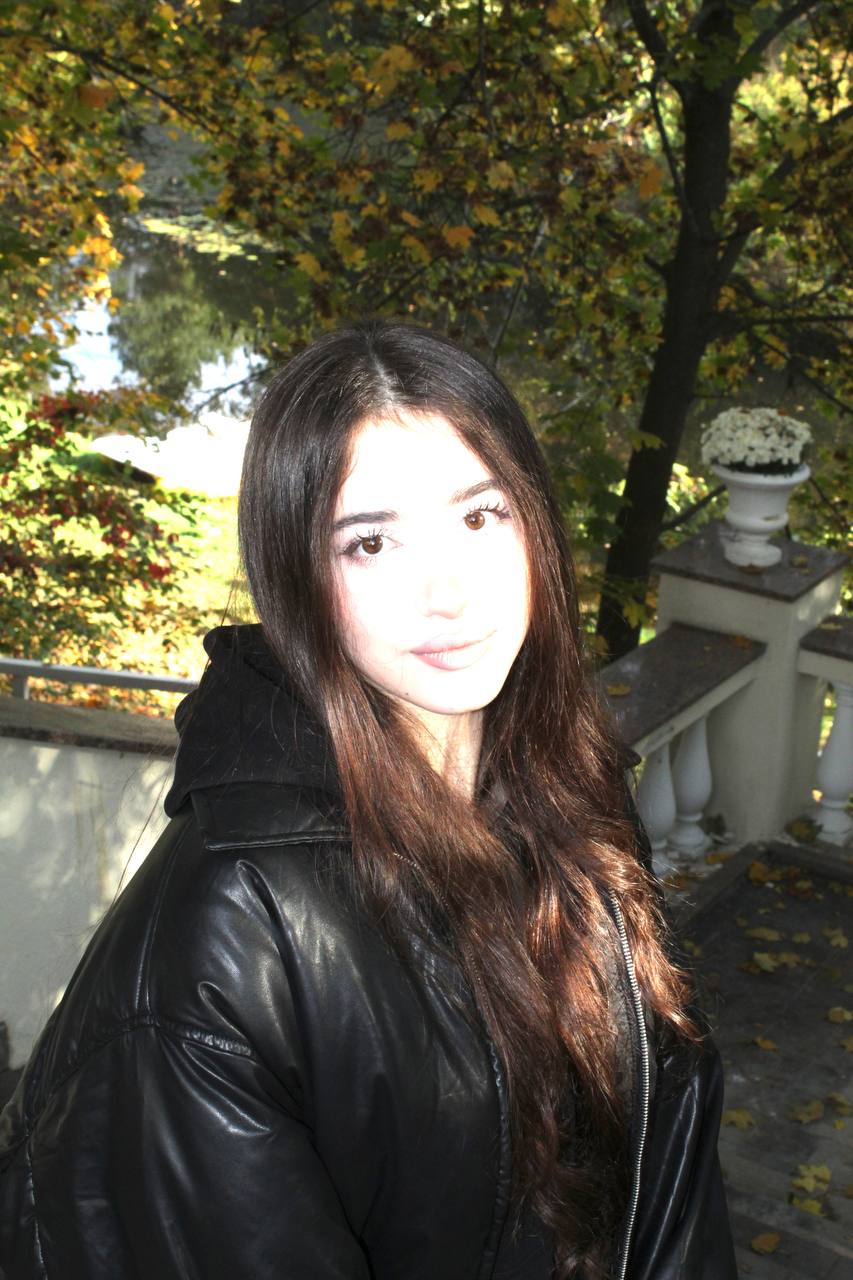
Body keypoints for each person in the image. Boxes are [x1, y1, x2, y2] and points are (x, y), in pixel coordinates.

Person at [0, 321, 737, 1279]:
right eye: (372, 542)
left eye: (480, 516)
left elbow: (669, 1181)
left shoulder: (567, 798)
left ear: (537, 528)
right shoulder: (229, 938)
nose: (448, 593)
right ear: (296, 579)